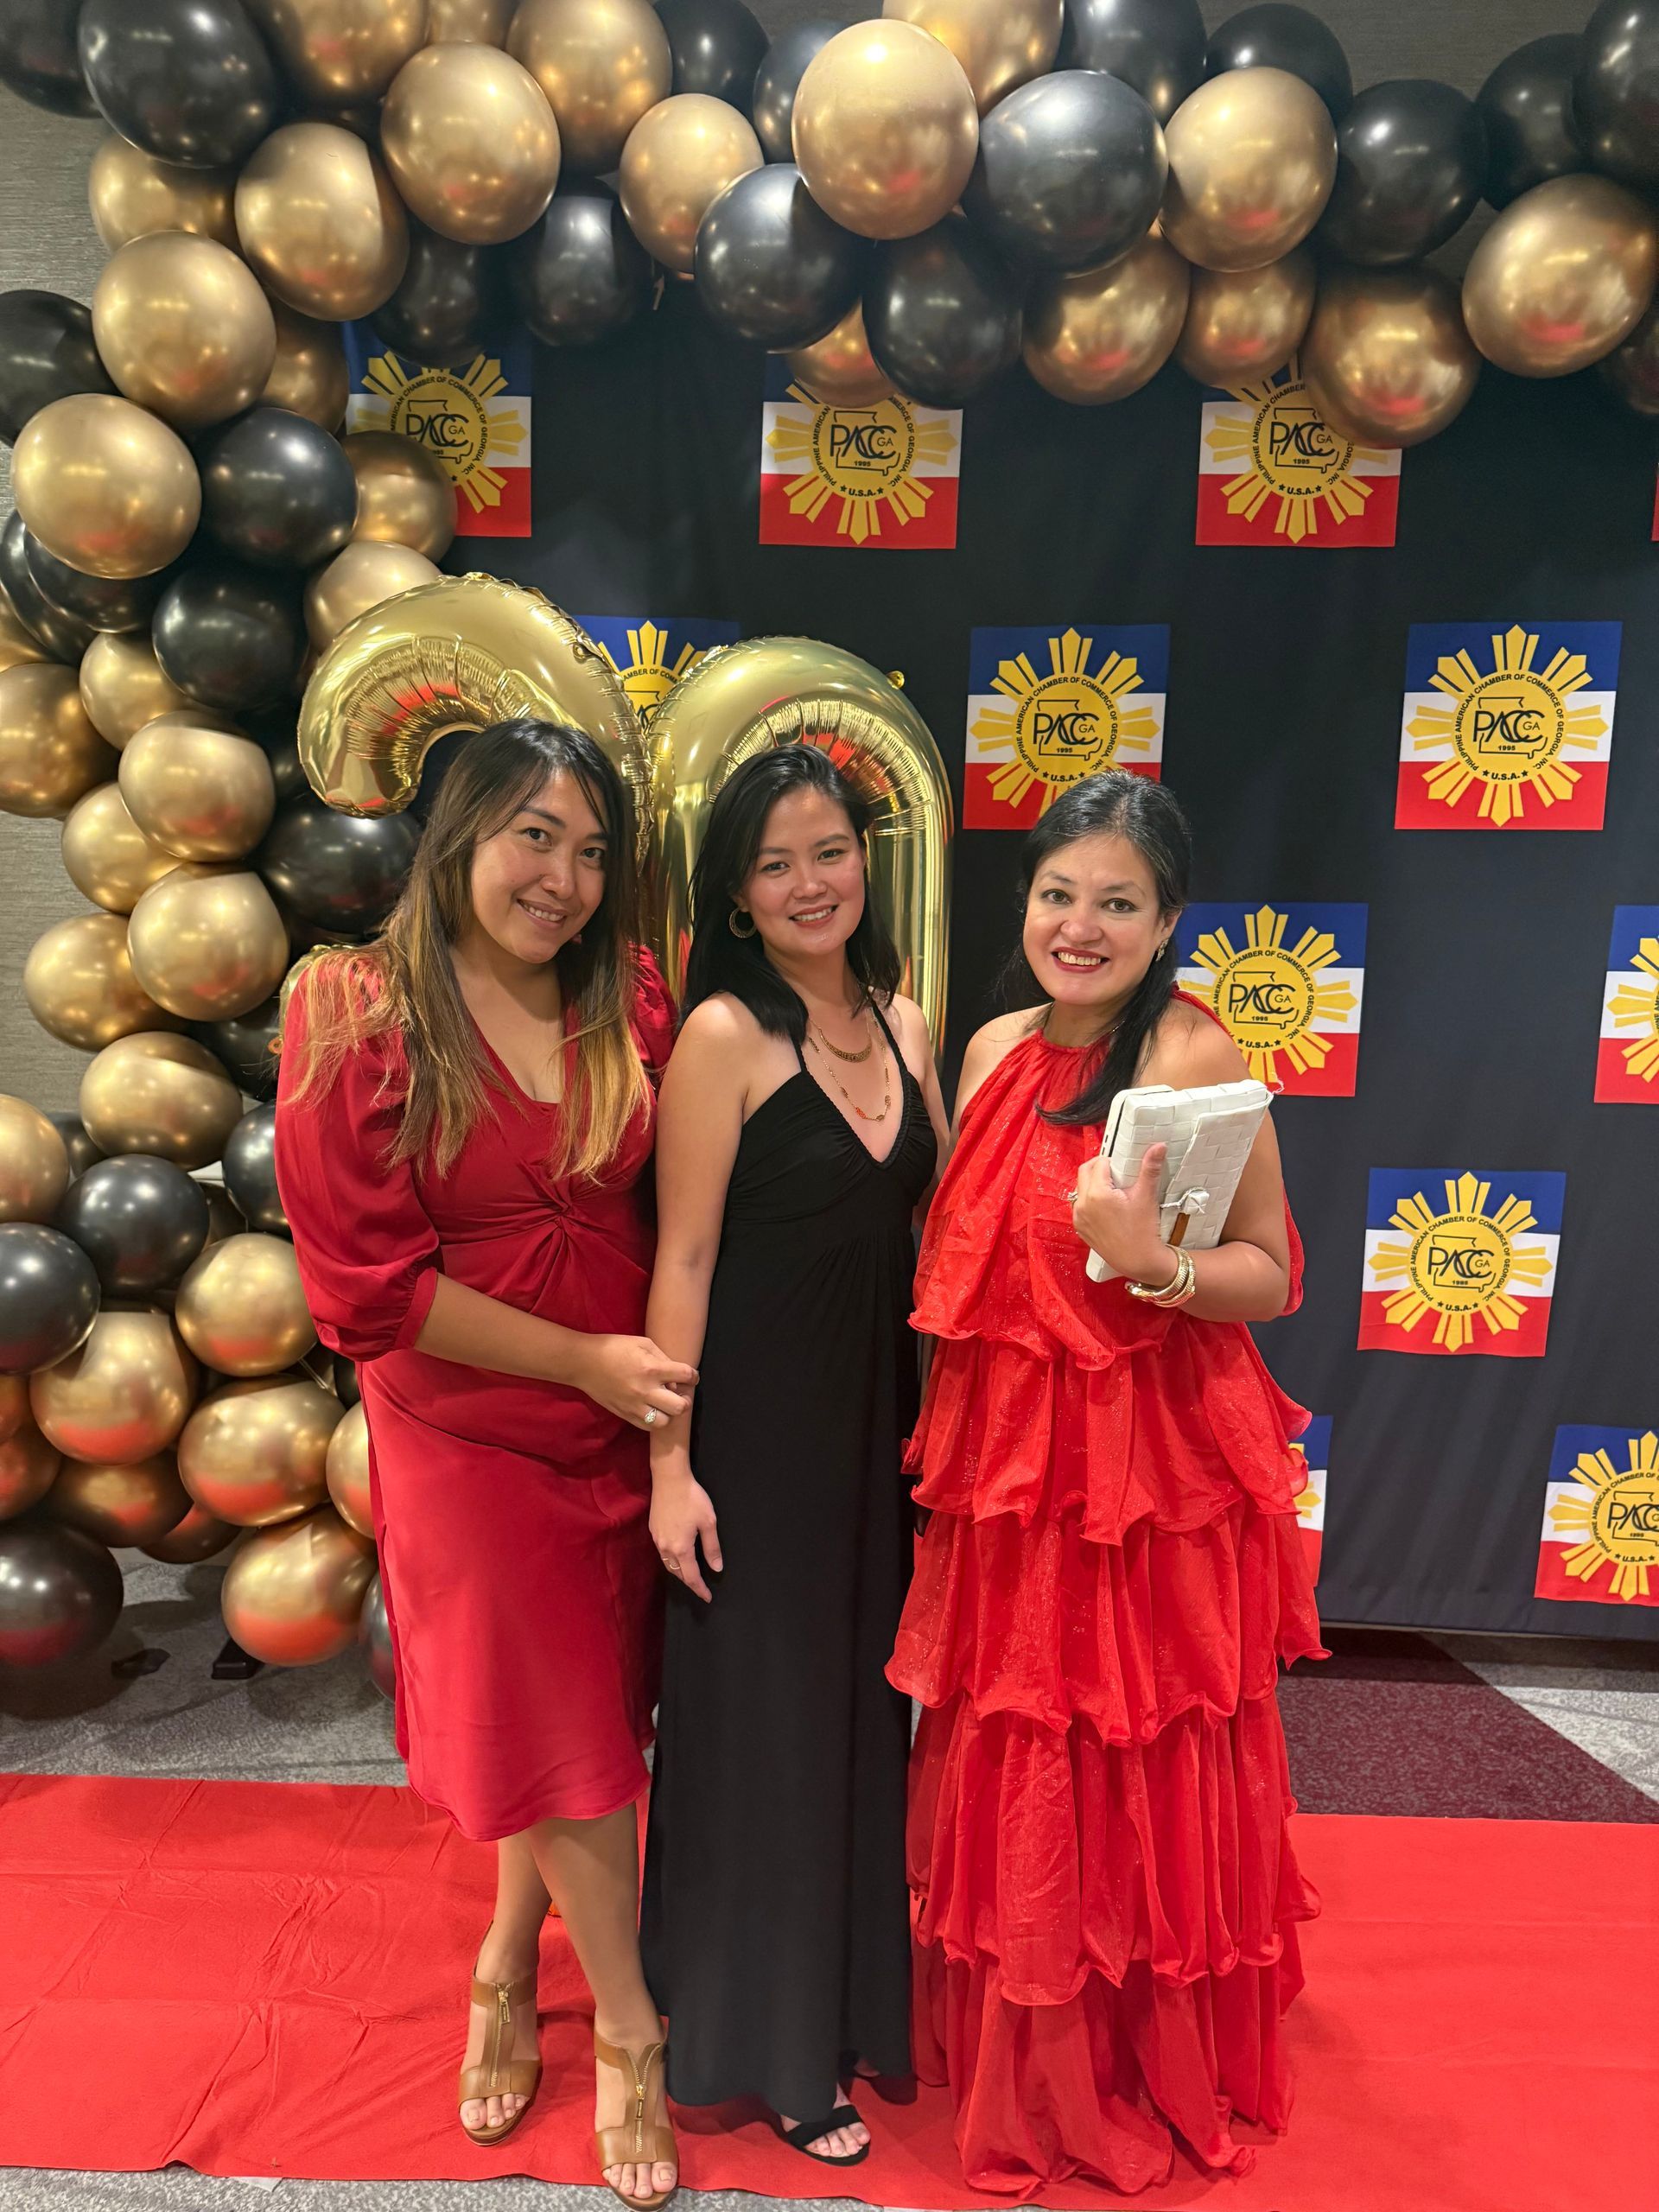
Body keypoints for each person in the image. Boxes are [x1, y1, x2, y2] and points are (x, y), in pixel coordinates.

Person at [889, 770, 1325, 2196]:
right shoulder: (997, 1042)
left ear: (1169, 920)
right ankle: (1019, 2015)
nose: (1081, 926)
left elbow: (1271, 1271)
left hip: (1146, 1474)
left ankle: (1132, 2046)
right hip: (1011, 1470)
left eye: (1117, 903)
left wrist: (1159, 1269)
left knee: (1129, 1743)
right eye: (1058, 895)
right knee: (1019, 1731)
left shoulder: (1198, 1060)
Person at [275, 720, 689, 2209]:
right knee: (565, 1719)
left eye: (590, 852)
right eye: (534, 837)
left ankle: (509, 1954)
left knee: (572, 1723)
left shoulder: (626, 992)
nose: (565, 879)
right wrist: (582, 1360)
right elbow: (365, 1289)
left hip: (621, 1417)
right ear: (454, 833)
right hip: (465, 1429)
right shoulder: (350, 1008)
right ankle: (632, 2036)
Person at [639, 744, 947, 2165]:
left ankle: (847, 2014)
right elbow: (683, 1257)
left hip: (882, 1447)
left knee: (854, 1733)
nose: (810, 882)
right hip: (751, 1449)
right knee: (760, 1742)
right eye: (775, 864)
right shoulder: (720, 1037)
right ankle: (763, 2049)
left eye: (830, 851)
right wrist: (669, 1466)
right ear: (739, 897)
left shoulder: (908, 1022)